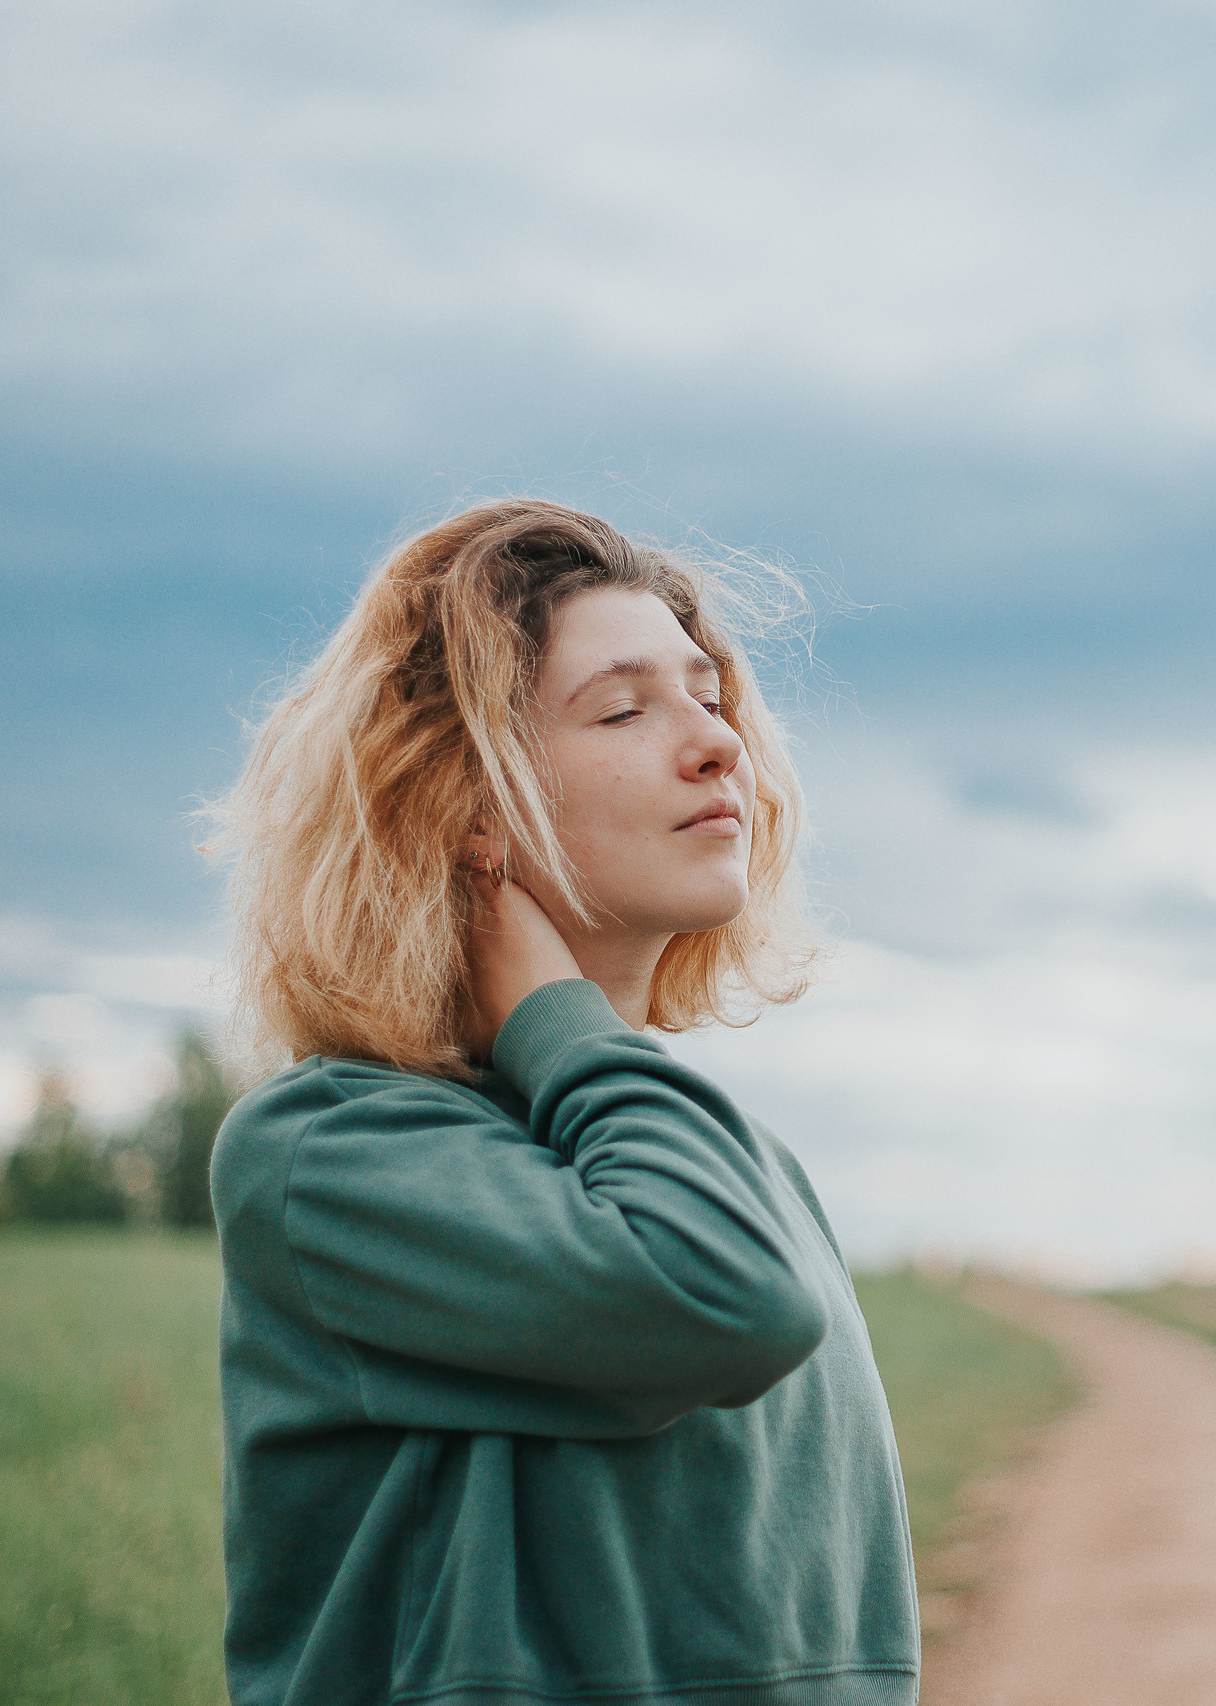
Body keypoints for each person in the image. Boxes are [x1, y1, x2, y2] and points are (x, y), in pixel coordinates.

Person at [203, 500, 918, 1706]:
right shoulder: (325, 1154)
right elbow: (719, 1291)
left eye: (710, 696)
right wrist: (549, 1009)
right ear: (461, 803)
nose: (716, 744)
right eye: (626, 708)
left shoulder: (737, 1163)